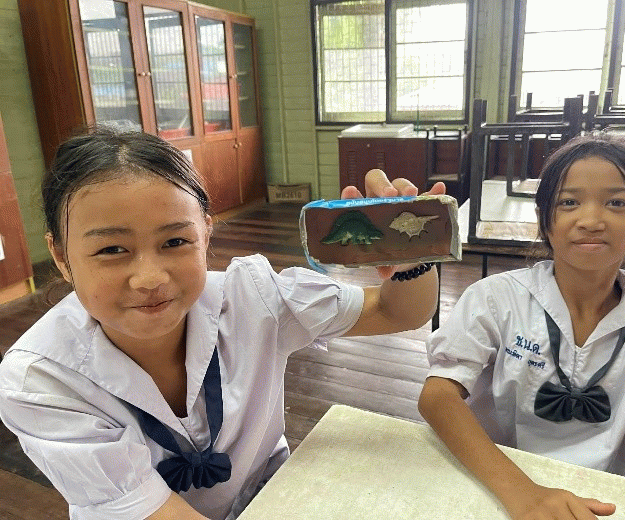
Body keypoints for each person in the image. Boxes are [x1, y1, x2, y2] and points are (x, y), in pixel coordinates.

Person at [0, 128, 445, 520]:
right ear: (61, 256)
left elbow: (398, 312)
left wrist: (410, 258)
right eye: (111, 250)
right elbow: (151, 512)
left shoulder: (253, 297)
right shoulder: (39, 379)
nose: (150, 278)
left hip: (269, 499)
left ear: (206, 234)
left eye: (175, 241)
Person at [418, 133, 625, 520]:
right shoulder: (496, 297)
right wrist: (523, 493)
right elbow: (438, 397)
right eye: (569, 202)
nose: (591, 221)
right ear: (545, 219)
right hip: (496, 479)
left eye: (617, 202)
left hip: (605, 496)